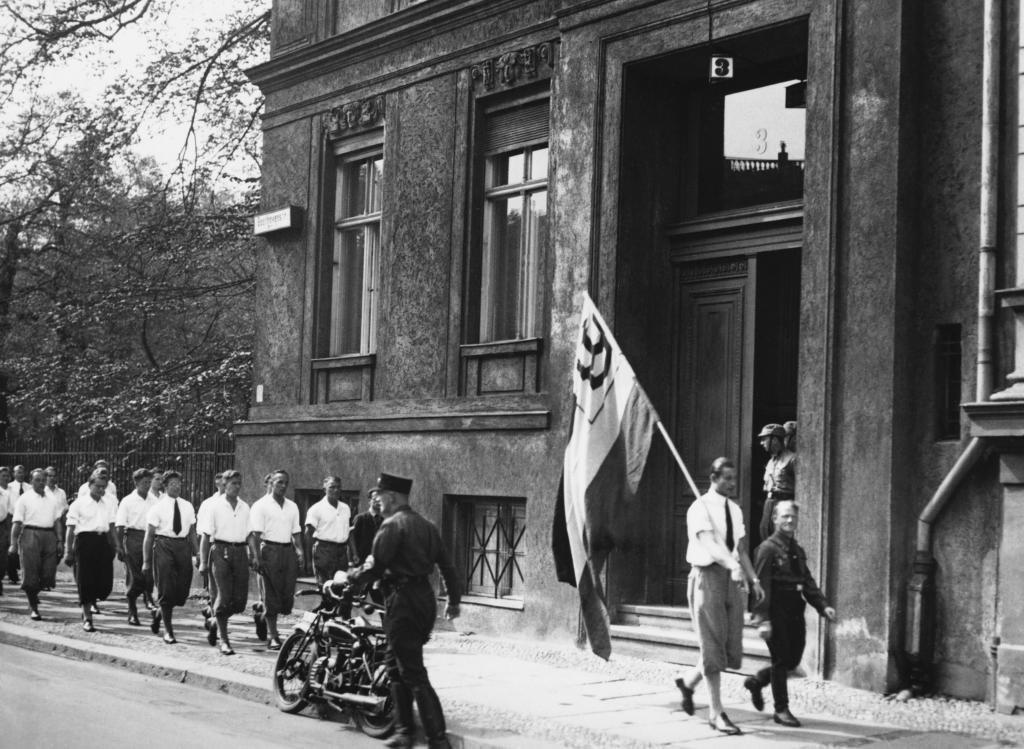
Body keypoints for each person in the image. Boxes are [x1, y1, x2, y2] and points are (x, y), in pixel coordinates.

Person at [349, 473, 461, 749]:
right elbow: (447, 566)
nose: (375, 499)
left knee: (412, 672)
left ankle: (437, 739)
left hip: (402, 601)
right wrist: (454, 600)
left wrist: (350, 577)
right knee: (394, 666)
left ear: (393, 497)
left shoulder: (392, 526)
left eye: (379, 494)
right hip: (424, 601)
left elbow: (375, 566)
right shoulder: (427, 526)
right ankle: (404, 733)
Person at [674, 457, 763, 736]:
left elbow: (741, 548)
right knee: (712, 646)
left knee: (728, 647)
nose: (732, 483)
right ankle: (716, 713)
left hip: (731, 580)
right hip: (707, 577)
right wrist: (732, 565)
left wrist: (753, 578)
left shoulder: (734, 510)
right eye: (727, 478)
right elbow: (709, 543)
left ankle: (688, 682)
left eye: (734, 478)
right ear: (714, 478)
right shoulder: (698, 508)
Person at [744, 501, 836, 727]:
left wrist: (822, 605)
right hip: (776, 609)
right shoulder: (766, 549)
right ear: (774, 519)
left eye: (793, 517)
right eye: (784, 516)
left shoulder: (797, 550)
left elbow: (807, 581)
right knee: (781, 659)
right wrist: (762, 619)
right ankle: (781, 709)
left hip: (795, 608)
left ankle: (757, 682)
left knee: (793, 660)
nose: (789, 520)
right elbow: (760, 586)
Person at [247, 469, 303, 650]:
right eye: (279, 482)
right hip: (268, 550)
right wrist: (256, 557)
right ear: (271, 483)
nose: (283, 486)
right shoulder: (260, 505)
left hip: (287, 553)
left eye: (286, 482)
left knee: (286, 602)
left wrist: (300, 550)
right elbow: (255, 535)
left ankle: (261, 615)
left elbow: (296, 531)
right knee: (271, 596)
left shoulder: (292, 506)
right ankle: (274, 636)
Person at [197, 469, 250, 655]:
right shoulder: (214, 506)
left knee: (240, 602)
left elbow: (250, 534)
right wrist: (203, 562)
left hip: (240, 552)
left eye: (239, 483)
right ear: (224, 485)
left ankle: (214, 621)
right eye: (233, 483)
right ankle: (224, 640)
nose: (237, 486)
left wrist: (254, 556)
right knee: (223, 595)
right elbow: (205, 536)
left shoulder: (244, 507)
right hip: (220, 551)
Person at [142, 470, 197, 644]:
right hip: (163, 545)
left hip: (183, 546)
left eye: (179, 484)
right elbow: (149, 535)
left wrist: (198, 554)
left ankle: (159, 612)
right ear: (165, 487)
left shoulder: (187, 505)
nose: (177, 487)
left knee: (181, 593)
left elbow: (193, 532)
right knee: (165, 588)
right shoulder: (157, 507)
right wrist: (146, 561)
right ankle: (168, 630)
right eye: (173, 484)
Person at [8, 468, 63, 620]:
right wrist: (13, 544)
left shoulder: (52, 499)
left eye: (43, 480)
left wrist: (60, 540)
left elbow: (57, 521)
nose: (41, 483)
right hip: (30, 535)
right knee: (31, 572)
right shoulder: (24, 499)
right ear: (31, 481)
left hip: (49, 535)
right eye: (37, 480)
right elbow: (17, 522)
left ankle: (32, 592)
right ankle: (33, 607)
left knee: (48, 575)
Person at [65, 473, 118, 632]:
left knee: (105, 585)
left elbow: (112, 527)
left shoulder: (108, 503)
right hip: (85, 542)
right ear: (90, 486)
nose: (101, 489)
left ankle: (91, 602)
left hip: (103, 543)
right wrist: (69, 551)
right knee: (85, 580)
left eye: (104, 487)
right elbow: (70, 529)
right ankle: (87, 616)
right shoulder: (78, 504)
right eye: (98, 486)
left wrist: (117, 545)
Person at [115, 468, 158, 625]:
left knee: (149, 573)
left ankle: (149, 598)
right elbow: (120, 525)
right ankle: (132, 610)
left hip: (151, 538)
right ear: (136, 483)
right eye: (144, 483)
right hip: (133, 538)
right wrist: (119, 546)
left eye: (149, 482)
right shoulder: (127, 501)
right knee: (135, 576)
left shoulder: (155, 501)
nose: (147, 485)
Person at [304, 475, 351, 585]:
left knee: (341, 586)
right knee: (326, 586)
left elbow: (348, 531)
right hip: (324, 551)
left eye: (338, 487)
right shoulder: (316, 509)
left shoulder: (345, 508)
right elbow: (308, 535)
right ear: (324, 489)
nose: (336, 490)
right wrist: (308, 561)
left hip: (342, 552)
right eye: (332, 487)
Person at [757, 423, 796, 543]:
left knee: (782, 539)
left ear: (774, 440)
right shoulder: (770, 461)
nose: (761, 443)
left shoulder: (792, 459)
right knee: (765, 534)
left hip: (783, 503)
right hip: (769, 503)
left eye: (764, 439)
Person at [349, 488, 383, 567]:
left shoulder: (384, 520)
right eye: (375, 499)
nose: (378, 502)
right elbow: (351, 537)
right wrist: (354, 555)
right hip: (361, 560)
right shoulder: (361, 518)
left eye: (380, 499)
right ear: (370, 501)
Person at [6, 465, 25, 584]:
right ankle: (12, 574)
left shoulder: (29, 487)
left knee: (24, 545)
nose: (21, 474)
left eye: (22, 472)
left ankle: (24, 571)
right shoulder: (9, 487)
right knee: (11, 545)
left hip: (25, 520)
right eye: (18, 472)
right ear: (14, 474)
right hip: (11, 518)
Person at [0, 466, 12, 596]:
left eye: (7, 476)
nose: (5, 478)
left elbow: (9, 515)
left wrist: (9, 533)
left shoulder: (6, 494)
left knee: (2, 558)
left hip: (2, 527)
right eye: (3, 476)